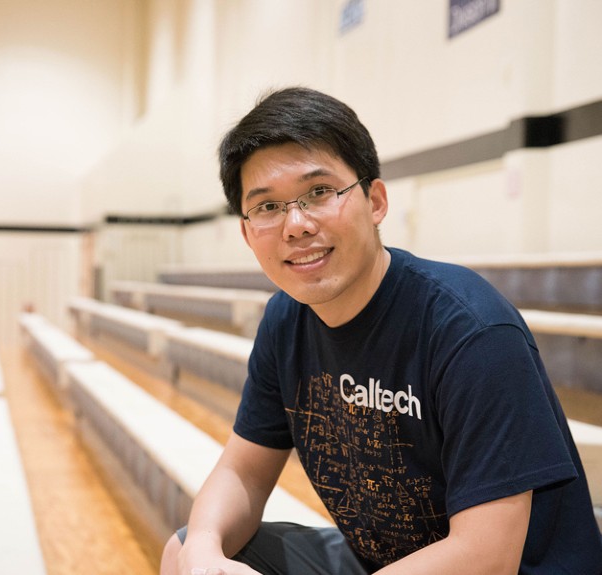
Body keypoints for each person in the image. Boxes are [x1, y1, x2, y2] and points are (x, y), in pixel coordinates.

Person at [159, 86, 602, 574]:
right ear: (246, 232)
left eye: (319, 193)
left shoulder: (469, 331)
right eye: (267, 207)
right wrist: (203, 550)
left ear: (375, 201)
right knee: (184, 552)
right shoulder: (285, 320)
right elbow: (242, 472)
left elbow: (486, 557)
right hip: (381, 562)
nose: (296, 224)